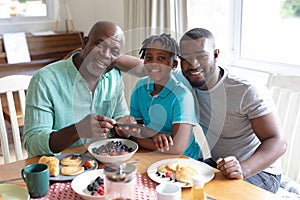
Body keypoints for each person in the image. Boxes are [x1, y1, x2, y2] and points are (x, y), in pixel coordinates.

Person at [117, 28, 287, 193]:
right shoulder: (183, 78)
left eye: (202, 56)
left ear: (215, 54)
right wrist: (110, 57)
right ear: (179, 61)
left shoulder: (245, 90)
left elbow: (278, 141)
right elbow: (148, 67)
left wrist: (243, 168)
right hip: (217, 164)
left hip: (259, 172)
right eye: (187, 58)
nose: (194, 64)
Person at [23, 21, 135, 157]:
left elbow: (119, 119)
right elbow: (33, 144)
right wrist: (77, 130)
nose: (106, 54)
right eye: (100, 45)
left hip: (98, 165)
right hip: (57, 169)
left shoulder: (114, 77)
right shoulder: (44, 80)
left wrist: (123, 128)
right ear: (85, 43)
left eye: (114, 51)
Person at [128, 33, 201, 159]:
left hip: (186, 159)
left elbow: (177, 148)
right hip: (154, 154)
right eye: (149, 58)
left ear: (174, 64)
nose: (153, 63)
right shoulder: (140, 86)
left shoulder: (182, 96)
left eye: (161, 58)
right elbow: (136, 128)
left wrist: (136, 138)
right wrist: (152, 135)